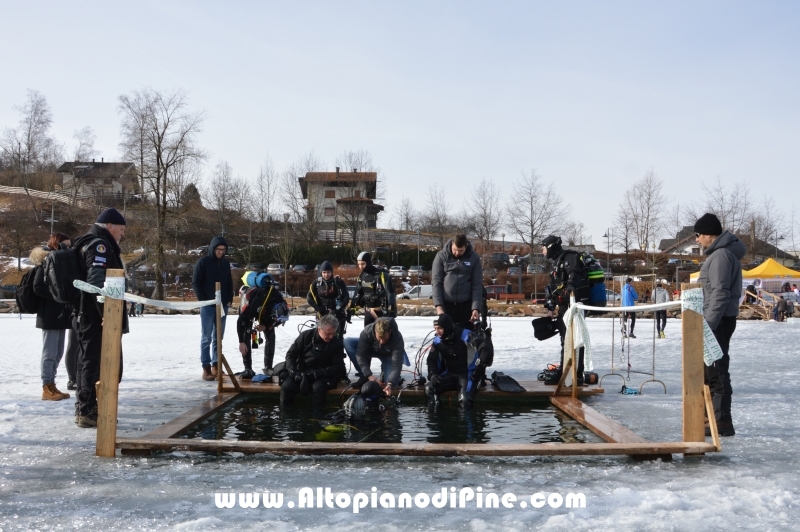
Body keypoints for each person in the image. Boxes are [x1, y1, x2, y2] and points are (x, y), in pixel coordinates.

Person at [72, 208, 128, 428]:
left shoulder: (94, 242)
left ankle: (91, 408)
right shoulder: (99, 246)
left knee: (90, 360)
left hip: (89, 314)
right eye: (121, 230)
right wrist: (104, 313)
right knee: (91, 362)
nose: (122, 234)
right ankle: (87, 411)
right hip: (93, 316)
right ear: (110, 226)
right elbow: (96, 283)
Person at [695, 212, 746, 437]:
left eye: (698, 235)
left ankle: (721, 420)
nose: (696, 240)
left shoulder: (721, 256)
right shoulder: (718, 255)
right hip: (717, 319)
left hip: (717, 321)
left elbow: (719, 292)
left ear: (709, 235)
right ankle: (710, 416)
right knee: (709, 369)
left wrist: (708, 324)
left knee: (716, 369)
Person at [540, 235, 590, 385]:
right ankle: (566, 371)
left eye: (543, 248)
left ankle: (576, 374)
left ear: (550, 247)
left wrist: (571, 287)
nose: (542, 251)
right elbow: (554, 287)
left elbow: (574, 274)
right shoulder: (557, 261)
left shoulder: (569, 257)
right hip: (564, 306)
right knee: (565, 339)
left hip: (573, 306)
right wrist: (550, 307)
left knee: (574, 339)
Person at [30, 233, 73, 401]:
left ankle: (52, 384)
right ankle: (46, 386)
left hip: (60, 314)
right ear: (56, 245)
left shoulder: (60, 263)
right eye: (65, 245)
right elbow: (38, 287)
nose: (68, 249)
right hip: (49, 314)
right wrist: (58, 296)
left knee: (58, 352)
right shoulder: (46, 261)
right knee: (50, 352)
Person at [280, 314, 346, 414]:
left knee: (318, 388)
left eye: (333, 333)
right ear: (319, 329)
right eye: (328, 334)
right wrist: (292, 370)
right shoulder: (306, 336)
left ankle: (317, 417)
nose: (331, 336)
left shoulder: (336, 343)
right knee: (287, 387)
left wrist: (318, 373)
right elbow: (290, 355)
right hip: (302, 370)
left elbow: (337, 367)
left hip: (323, 374)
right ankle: (286, 416)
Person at [425, 314, 491, 408]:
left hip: (469, 374)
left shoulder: (466, 335)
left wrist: (480, 369)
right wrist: (433, 375)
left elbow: (485, 349)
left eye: (439, 328)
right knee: (429, 388)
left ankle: (466, 421)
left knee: (465, 400)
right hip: (450, 373)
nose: (437, 331)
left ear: (447, 327)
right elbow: (431, 360)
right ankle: (436, 421)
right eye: (435, 328)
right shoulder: (437, 341)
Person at [192, 236, 234, 381]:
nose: (221, 252)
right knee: (206, 338)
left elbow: (229, 282)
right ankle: (206, 368)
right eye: (218, 249)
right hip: (208, 306)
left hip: (222, 306)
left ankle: (217, 366)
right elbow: (196, 282)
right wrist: (204, 300)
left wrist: (229, 298)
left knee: (218, 337)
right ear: (213, 248)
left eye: (223, 250)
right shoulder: (203, 262)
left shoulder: (225, 264)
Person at [236, 276, 289, 378]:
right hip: (252, 305)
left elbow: (278, 320)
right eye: (274, 319)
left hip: (265, 311)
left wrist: (266, 326)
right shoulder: (255, 304)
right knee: (246, 333)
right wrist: (241, 342)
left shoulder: (279, 299)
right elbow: (240, 321)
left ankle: (268, 367)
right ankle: (248, 368)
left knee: (271, 335)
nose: (275, 321)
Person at [431, 234, 483, 330]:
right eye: (455, 249)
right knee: (448, 339)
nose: (457, 253)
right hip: (447, 305)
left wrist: (475, 308)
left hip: (466, 305)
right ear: (452, 244)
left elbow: (477, 285)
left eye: (461, 251)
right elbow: (436, 283)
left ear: (466, 247)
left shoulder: (474, 258)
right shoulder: (441, 256)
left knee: (467, 337)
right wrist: (439, 308)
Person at [345, 317, 407, 394]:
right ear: (375, 331)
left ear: (390, 332)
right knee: (348, 342)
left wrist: (390, 383)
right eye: (379, 338)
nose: (381, 342)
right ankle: (363, 375)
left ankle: (388, 376)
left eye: (384, 338)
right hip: (371, 349)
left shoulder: (397, 337)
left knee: (391, 382)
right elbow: (360, 355)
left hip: (389, 355)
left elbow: (397, 365)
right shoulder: (367, 332)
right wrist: (368, 375)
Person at [351, 252, 396, 327]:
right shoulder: (361, 276)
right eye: (359, 264)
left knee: (381, 335)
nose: (361, 266)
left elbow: (390, 292)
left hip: (381, 312)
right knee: (368, 335)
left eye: (363, 264)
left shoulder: (380, 274)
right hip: (368, 312)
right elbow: (357, 294)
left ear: (368, 262)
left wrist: (391, 309)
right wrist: (352, 308)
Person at [307, 261, 350, 337]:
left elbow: (346, 297)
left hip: (337, 314)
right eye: (324, 272)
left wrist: (337, 310)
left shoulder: (338, 282)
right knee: (322, 337)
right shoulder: (317, 283)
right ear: (321, 273)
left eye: (328, 272)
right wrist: (319, 308)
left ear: (331, 272)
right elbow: (309, 297)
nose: (326, 275)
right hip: (322, 314)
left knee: (337, 338)